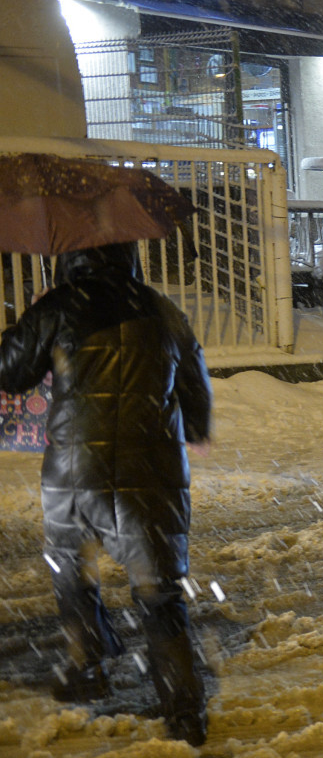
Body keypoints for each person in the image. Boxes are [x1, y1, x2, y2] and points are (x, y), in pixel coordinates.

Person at [0, 242, 213, 746]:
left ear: (70, 256)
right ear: (128, 254)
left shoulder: (62, 305)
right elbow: (194, 384)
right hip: (153, 471)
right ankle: (184, 714)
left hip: (77, 470)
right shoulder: (160, 308)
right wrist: (197, 429)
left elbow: (10, 371)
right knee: (160, 596)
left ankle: (88, 668)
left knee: (73, 573)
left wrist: (27, 323)